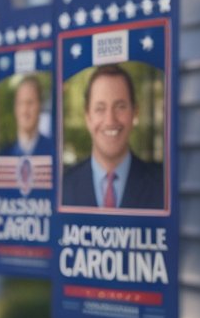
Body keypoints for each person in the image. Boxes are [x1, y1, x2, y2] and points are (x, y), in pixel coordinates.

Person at [62, 64, 164, 209]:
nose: (110, 120)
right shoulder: (63, 187)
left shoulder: (161, 186)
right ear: (88, 117)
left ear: (134, 113)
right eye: (100, 109)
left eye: (120, 106)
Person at [0, 75, 54, 156]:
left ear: (40, 106)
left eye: (30, 103)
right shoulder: (3, 155)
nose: (25, 110)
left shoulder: (53, 151)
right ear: (15, 108)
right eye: (20, 103)